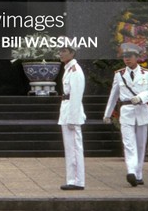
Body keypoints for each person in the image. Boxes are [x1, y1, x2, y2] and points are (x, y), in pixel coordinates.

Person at [103, 42, 148, 187]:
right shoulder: (119, 75)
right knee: (128, 144)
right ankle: (131, 172)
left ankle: (139, 174)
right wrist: (107, 114)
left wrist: (140, 98)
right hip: (126, 111)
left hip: (141, 110)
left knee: (141, 145)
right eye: (125, 57)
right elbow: (113, 95)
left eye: (130, 56)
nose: (127, 59)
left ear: (137, 57)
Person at [58, 45, 86, 190]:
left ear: (72, 53)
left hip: (72, 112)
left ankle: (77, 180)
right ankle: (72, 179)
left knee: (74, 148)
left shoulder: (75, 70)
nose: (61, 54)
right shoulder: (68, 68)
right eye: (60, 51)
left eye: (64, 51)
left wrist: (73, 118)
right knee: (70, 148)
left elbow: (76, 95)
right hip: (66, 110)